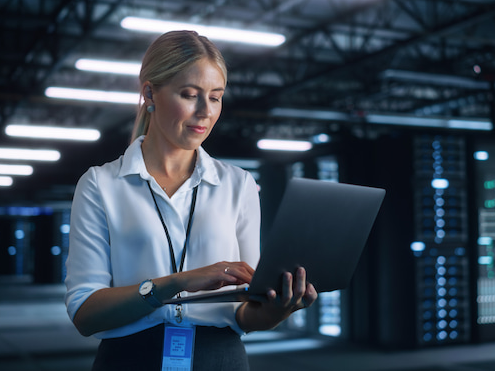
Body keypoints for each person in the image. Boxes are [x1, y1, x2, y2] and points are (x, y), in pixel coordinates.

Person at [64, 30, 318, 370]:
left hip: (221, 359)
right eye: (189, 94)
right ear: (150, 93)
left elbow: (245, 313)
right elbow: (85, 314)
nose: (205, 111)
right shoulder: (101, 184)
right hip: (129, 359)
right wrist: (178, 282)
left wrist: (278, 307)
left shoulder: (238, 185)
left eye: (215, 97)